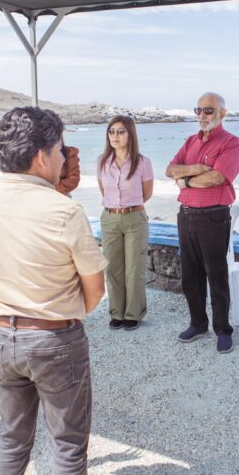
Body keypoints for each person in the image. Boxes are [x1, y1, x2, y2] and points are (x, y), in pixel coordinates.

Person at [0, 107, 107, 475]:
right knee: (68, 444)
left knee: (11, 437)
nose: (62, 158)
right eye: (59, 150)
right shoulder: (63, 211)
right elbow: (95, 289)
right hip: (53, 336)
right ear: (42, 157)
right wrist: (65, 315)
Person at [166, 92, 239, 354]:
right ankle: (198, 324)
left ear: (222, 113)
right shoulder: (190, 141)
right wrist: (198, 168)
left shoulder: (231, 143)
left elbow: (218, 178)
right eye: (198, 110)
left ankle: (223, 330)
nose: (202, 115)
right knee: (190, 277)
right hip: (186, 215)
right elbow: (169, 169)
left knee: (216, 276)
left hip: (214, 216)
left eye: (208, 110)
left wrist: (185, 179)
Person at [97, 115, 154, 330]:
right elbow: (104, 190)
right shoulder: (102, 162)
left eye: (120, 131)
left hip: (135, 218)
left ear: (130, 134)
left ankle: (133, 314)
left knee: (134, 268)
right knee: (112, 268)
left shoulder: (142, 162)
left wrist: (128, 207)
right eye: (111, 131)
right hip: (110, 218)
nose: (115, 136)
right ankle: (116, 313)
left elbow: (146, 193)